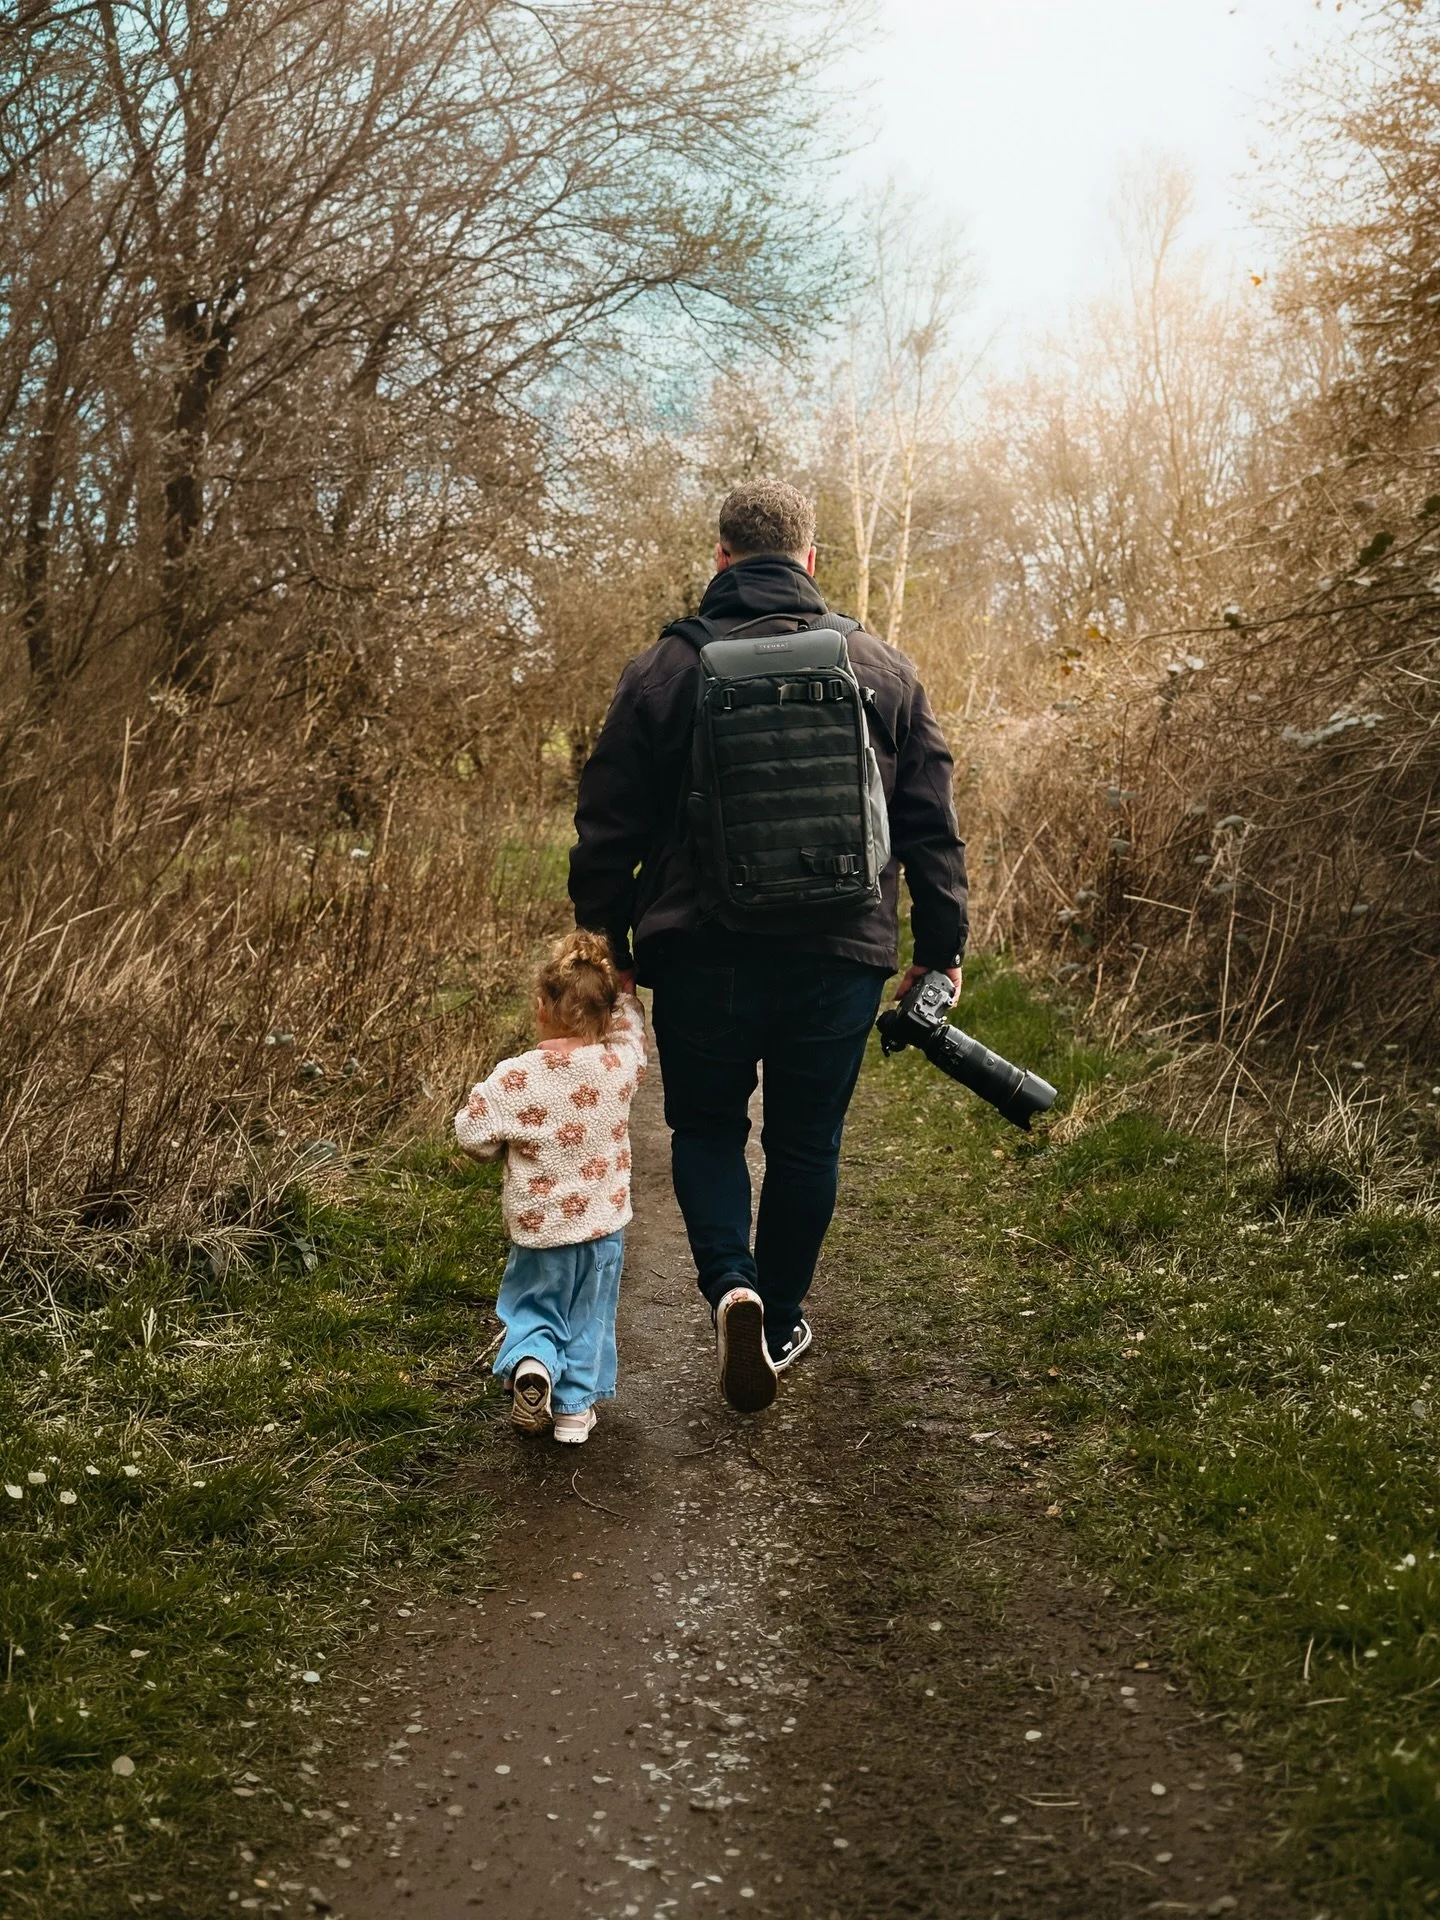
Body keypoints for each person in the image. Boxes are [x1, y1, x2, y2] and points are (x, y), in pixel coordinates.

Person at [568, 480, 966, 1413]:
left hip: (700, 949)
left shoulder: (663, 669)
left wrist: (608, 944)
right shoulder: (881, 665)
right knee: (804, 1143)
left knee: (706, 1128)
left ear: (721, 557)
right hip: (841, 952)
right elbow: (930, 823)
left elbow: (606, 824)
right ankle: (779, 1316)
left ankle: (730, 1288)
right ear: (811, 559)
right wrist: (940, 947)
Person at [454, 929, 648, 1444]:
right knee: (589, 1318)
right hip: (602, 1230)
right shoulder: (617, 1065)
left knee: (535, 1309)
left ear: (541, 1005)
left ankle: (533, 1366)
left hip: (540, 1232)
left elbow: (472, 1135)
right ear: (606, 1012)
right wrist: (625, 999)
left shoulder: (515, 1078)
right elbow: (632, 1034)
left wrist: (502, 1148)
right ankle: (573, 1415)